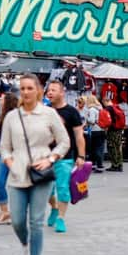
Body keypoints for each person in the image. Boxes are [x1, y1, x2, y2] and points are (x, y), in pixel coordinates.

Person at [0, 74, 69, 255]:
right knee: (18, 220)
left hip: (41, 173)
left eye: (30, 88)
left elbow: (64, 141)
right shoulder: (12, 116)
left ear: (38, 91)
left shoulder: (49, 114)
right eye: (23, 88)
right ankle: (24, 244)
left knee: (36, 221)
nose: (26, 92)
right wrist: (10, 162)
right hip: (18, 173)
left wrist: (51, 158)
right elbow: (4, 147)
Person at [45, 80, 86, 233]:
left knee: (62, 188)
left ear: (62, 92)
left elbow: (79, 136)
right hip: (46, 157)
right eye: (48, 90)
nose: (50, 93)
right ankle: (54, 208)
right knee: (46, 190)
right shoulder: (45, 110)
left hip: (65, 157)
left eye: (53, 90)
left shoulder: (72, 112)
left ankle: (61, 218)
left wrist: (81, 155)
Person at [0, 92, 19, 225]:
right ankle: (5, 211)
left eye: (2, 98)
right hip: (1, 154)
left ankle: (15, 211)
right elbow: (0, 136)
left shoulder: (15, 116)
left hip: (14, 155)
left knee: (15, 184)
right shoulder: (3, 116)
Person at [84, 95, 106, 173]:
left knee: (95, 148)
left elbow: (92, 121)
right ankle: (98, 164)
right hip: (102, 130)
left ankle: (98, 165)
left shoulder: (92, 109)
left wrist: (86, 118)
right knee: (99, 148)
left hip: (95, 130)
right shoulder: (100, 108)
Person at [103, 97, 124, 172]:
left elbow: (107, 120)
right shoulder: (116, 107)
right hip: (119, 130)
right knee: (118, 147)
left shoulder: (108, 109)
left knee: (112, 147)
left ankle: (115, 165)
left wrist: (105, 129)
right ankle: (120, 164)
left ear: (105, 101)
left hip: (112, 130)